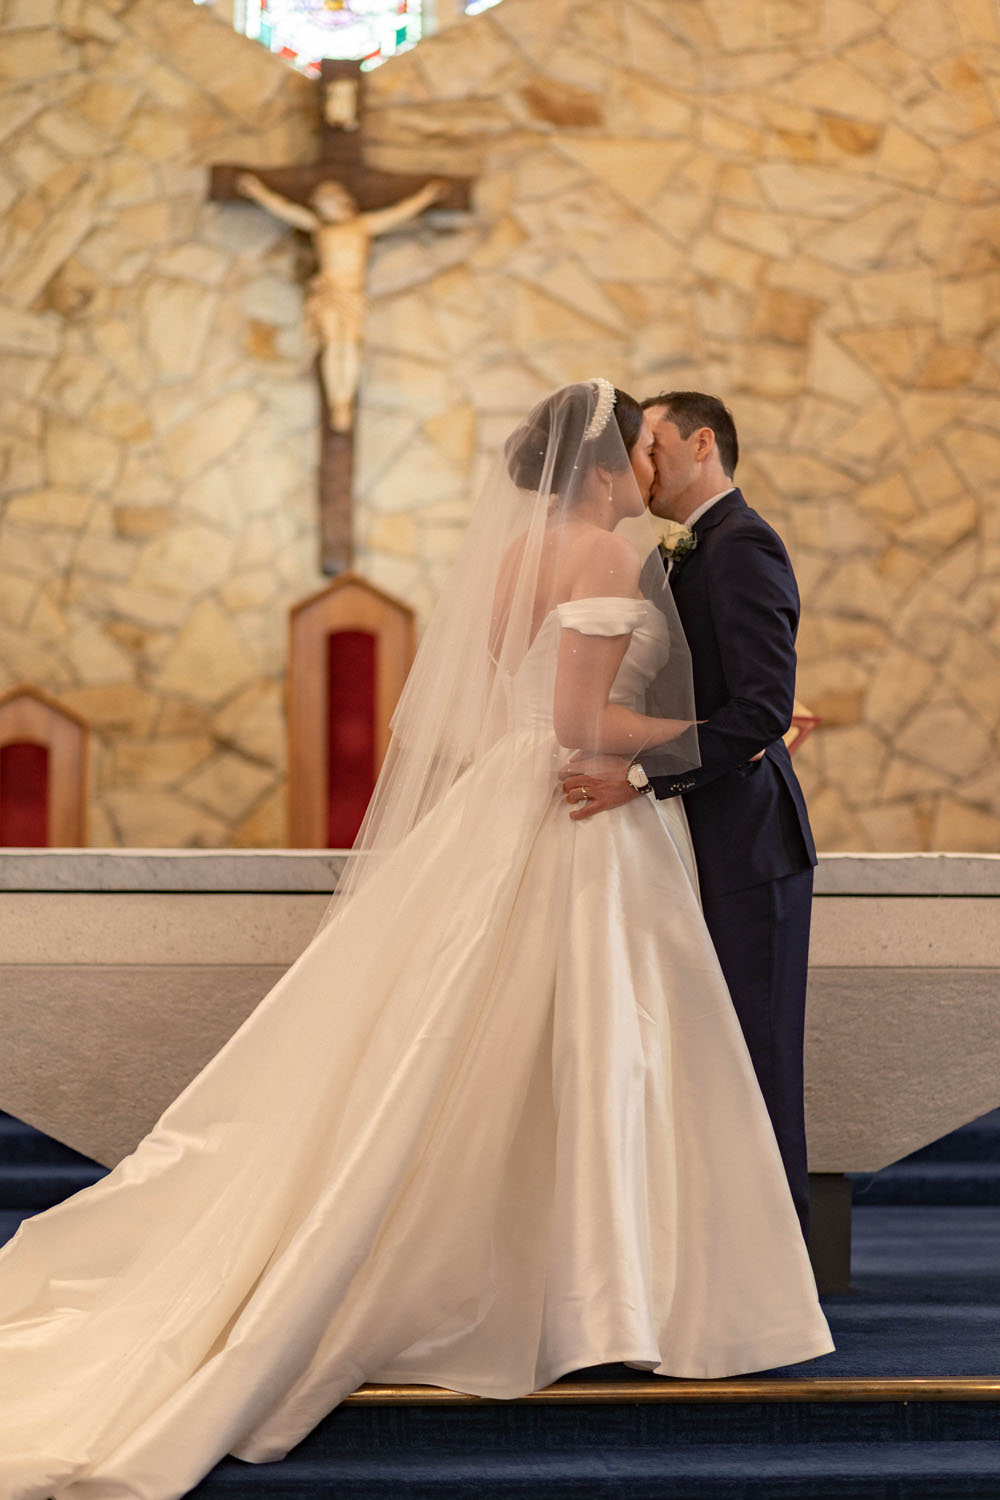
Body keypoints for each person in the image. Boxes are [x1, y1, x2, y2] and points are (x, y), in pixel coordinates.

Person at [0, 382, 831, 1500]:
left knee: (474, 1046)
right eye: (632, 450)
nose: (642, 471)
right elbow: (580, 725)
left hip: (508, 802)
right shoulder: (594, 558)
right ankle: (590, 1291)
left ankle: (548, 1271)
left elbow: (517, 700)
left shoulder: (506, 560)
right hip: (578, 815)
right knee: (596, 1044)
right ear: (598, 467)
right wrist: (733, 732)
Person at [561, 391, 817, 1239]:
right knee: (699, 1063)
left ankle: (782, 1266)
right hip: (687, 831)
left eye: (658, 443)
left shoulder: (744, 545)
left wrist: (637, 773)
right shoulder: (671, 557)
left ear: (703, 443)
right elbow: (729, 701)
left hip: (747, 843)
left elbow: (755, 714)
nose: (648, 460)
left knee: (755, 1060)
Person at [235, 172, 445, 431]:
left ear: (341, 202)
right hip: (328, 295)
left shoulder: (363, 226)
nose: (324, 210)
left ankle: (346, 396)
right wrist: (259, 193)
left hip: (352, 295)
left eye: (327, 203)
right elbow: (286, 210)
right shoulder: (320, 228)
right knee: (334, 345)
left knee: (351, 346)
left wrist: (425, 196)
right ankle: (338, 400)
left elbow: (398, 213)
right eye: (320, 207)